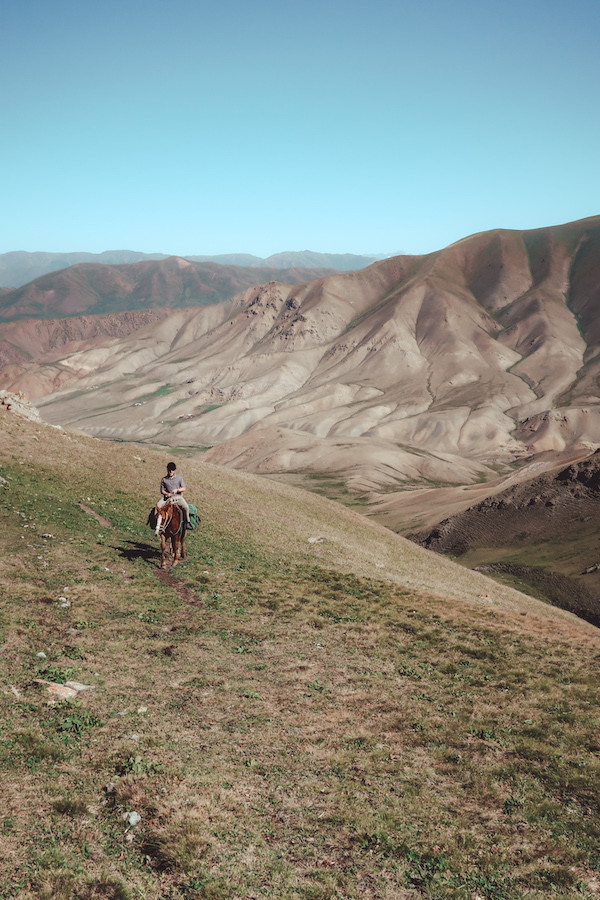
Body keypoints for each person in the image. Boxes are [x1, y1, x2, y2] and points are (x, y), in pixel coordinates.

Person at [157, 461, 191, 529]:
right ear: (167, 470)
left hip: (177, 497)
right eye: (169, 470)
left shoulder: (179, 478)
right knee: (157, 507)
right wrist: (167, 494)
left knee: (186, 507)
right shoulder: (164, 479)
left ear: (174, 470)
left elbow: (184, 488)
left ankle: (187, 522)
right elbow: (162, 490)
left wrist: (177, 490)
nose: (170, 471)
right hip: (167, 498)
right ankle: (156, 523)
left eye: (172, 470)